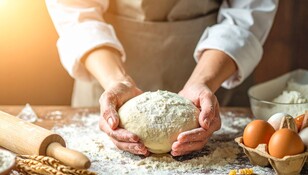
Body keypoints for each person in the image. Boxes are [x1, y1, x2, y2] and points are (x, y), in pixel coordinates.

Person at [45, 0, 278, 156]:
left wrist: (204, 82)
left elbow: (250, 8)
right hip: (105, 67)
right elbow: (75, 10)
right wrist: (117, 80)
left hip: (218, 65)